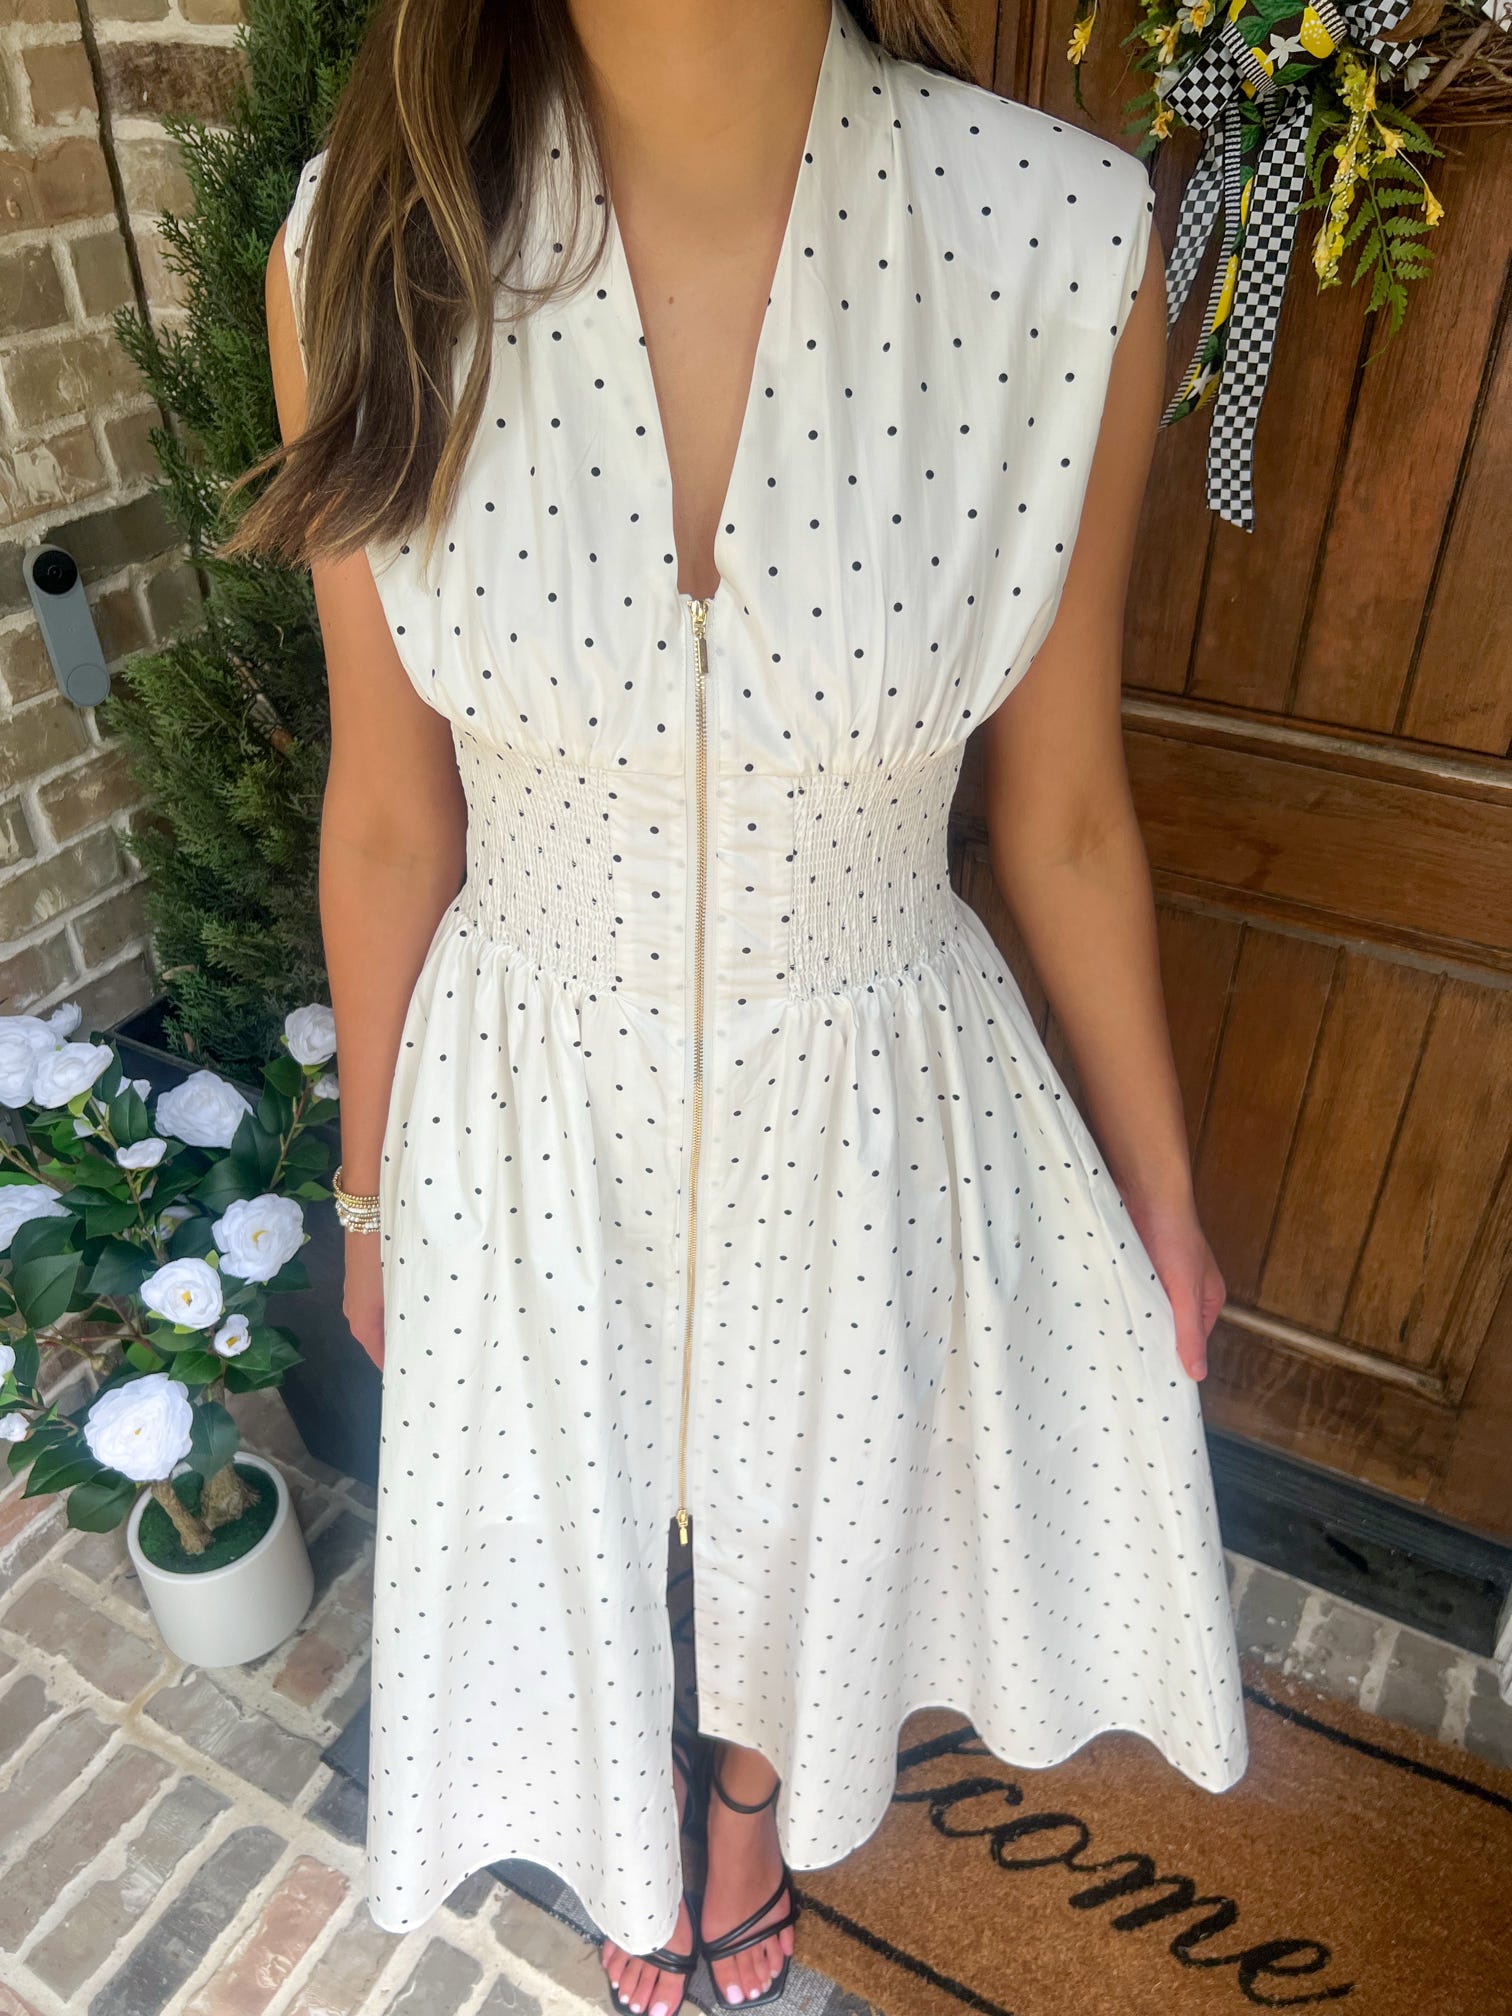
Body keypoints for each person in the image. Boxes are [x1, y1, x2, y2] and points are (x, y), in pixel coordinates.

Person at [243, 1, 1251, 2010]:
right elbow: (382, 814)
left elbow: (1057, 815)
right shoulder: (360, 235)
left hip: (876, 1079)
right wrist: (369, 1193)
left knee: (817, 1519)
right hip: (529, 1082)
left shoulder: (1060, 238)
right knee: (604, 1530)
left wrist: (1163, 1198)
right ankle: (643, 1838)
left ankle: (736, 1819)